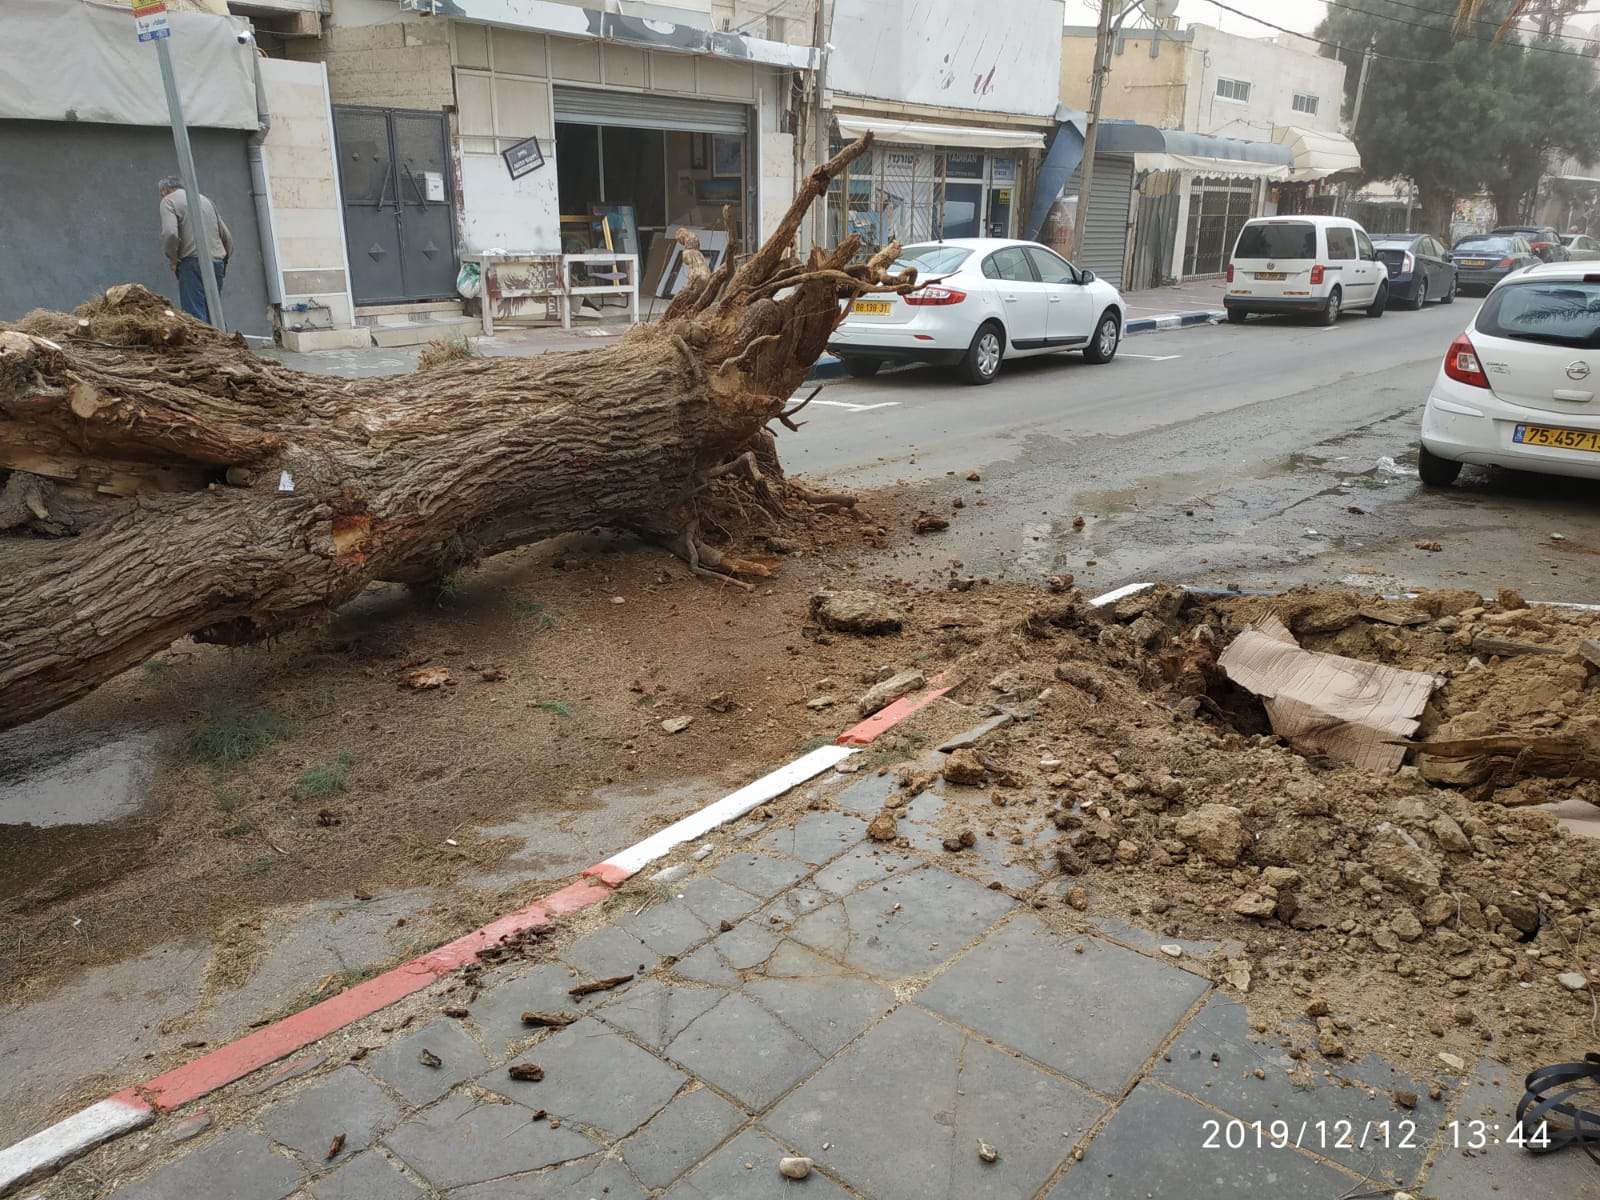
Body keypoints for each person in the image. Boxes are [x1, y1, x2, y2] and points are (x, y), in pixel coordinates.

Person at [159, 177, 232, 324]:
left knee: (195, 315)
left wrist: (173, 261)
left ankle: (203, 347)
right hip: (216, 262)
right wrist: (225, 262)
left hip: (192, 262)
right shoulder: (205, 200)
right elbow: (226, 235)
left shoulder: (168, 201)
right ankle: (222, 345)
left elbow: (170, 233)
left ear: (164, 190)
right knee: (214, 313)